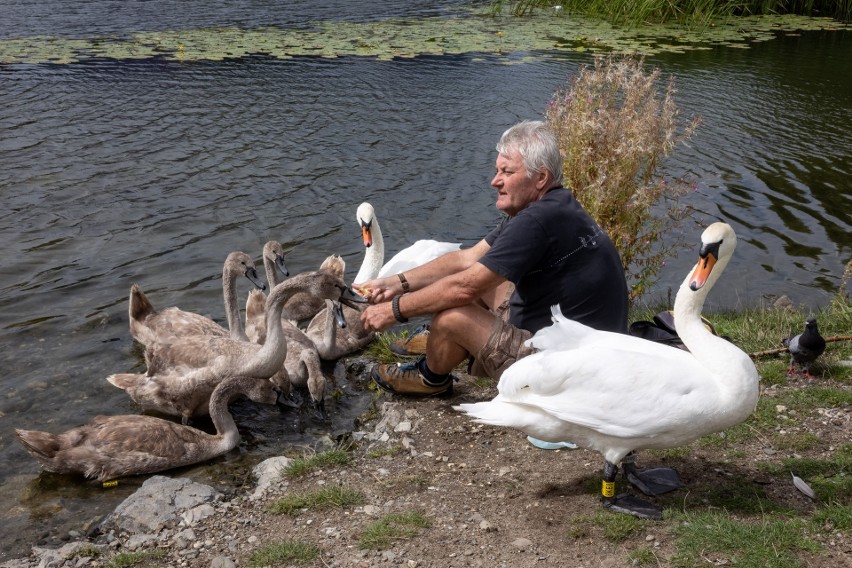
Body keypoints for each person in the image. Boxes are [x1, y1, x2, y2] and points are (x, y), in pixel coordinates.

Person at [357, 120, 629, 396]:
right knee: (478, 274)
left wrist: (393, 310)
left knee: (453, 316)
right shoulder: (552, 206)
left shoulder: (536, 220)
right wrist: (396, 282)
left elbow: (465, 287)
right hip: (587, 348)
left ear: (541, 177)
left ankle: (430, 379)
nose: (494, 181)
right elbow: (466, 259)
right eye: (497, 170)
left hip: (569, 369)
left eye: (506, 172)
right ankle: (440, 342)